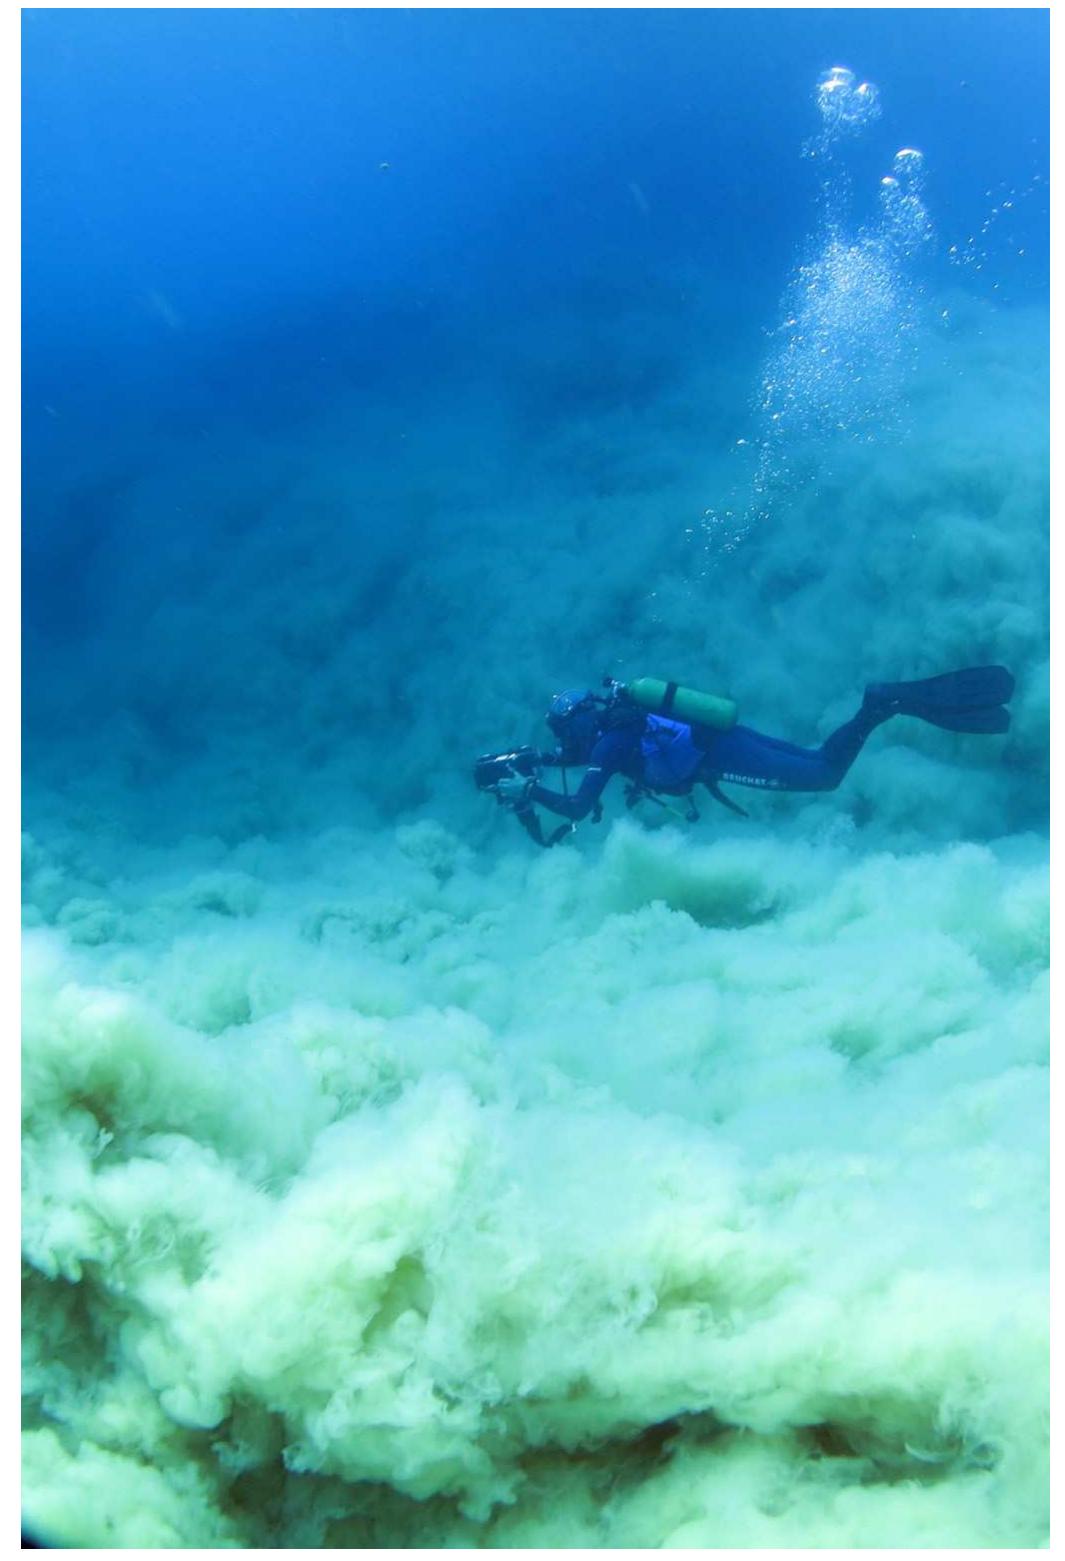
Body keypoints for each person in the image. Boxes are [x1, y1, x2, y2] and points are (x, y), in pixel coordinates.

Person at [490, 667, 1014, 839]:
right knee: (816, 762)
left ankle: (878, 707)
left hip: (720, 756)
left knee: (825, 775)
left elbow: (581, 805)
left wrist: (528, 789)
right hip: (724, 740)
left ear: (576, 725)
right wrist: (534, 761)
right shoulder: (613, 730)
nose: (565, 746)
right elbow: (584, 759)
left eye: (563, 736)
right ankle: (879, 708)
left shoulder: (607, 740)